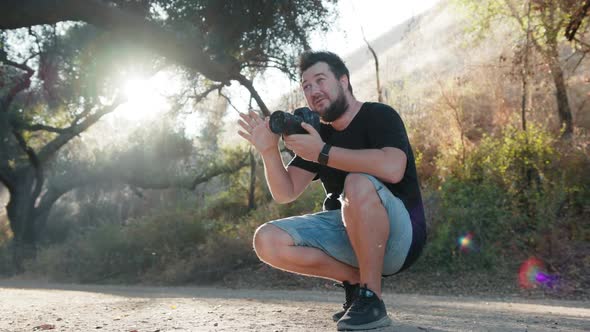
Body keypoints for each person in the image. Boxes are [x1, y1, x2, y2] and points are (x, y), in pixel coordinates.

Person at [237, 50, 426, 331]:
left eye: (320, 80)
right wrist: (268, 151)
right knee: (267, 240)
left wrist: (323, 153)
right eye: (306, 86)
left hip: (401, 236)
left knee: (357, 182)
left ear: (344, 81)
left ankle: (371, 299)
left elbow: (393, 167)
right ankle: (355, 282)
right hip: (350, 233)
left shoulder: (378, 115)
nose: (313, 90)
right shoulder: (319, 134)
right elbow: (285, 192)